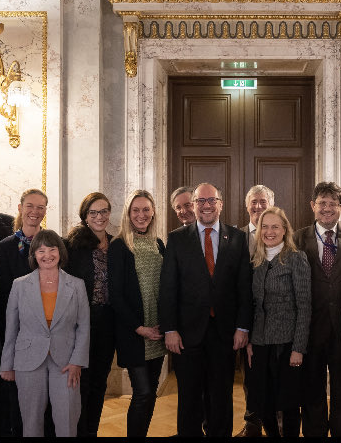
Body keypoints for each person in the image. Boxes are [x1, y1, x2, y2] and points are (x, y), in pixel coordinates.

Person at [159, 182, 252, 437]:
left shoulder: (237, 237)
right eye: (200, 201)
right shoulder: (177, 239)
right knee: (189, 398)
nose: (206, 205)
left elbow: (244, 286)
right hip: (187, 334)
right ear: (194, 205)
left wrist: (243, 327)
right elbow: (168, 288)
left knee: (220, 396)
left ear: (221, 204)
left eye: (212, 200)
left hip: (225, 334)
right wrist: (170, 329)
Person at [292, 181, 341, 437]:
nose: (327, 209)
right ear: (312, 206)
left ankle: (340, 433)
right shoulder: (297, 238)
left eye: (332, 204)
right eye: (321, 203)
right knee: (311, 387)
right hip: (310, 327)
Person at [0, 229, 90, 437]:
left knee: (67, 420)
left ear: (61, 252)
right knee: (30, 422)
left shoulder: (77, 285)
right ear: (33, 255)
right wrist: (7, 364)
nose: (47, 255)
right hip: (27, 361)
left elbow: (84, 326)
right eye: (41, 251)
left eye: (52, 249)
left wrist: (78, 361)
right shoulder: (19, 285)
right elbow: (11, 328)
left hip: (66, 362)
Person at [246, 206, 311, 438]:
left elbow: (304, 306)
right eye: (265, 226)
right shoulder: (256, 260)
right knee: (263, 403)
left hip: (287, 345)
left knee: (289, 404)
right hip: (261, 342)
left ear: (285, 230)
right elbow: (253, 305)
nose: (269, 231)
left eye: (275, 226)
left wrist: (298, 349)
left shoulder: (296, 258)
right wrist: (251, 342)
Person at [108, 190, 167, 437]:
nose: (141, 215)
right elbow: (116, 295)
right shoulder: (119, 246)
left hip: (159, 331)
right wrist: (139, 328)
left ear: (153, 212)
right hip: (135, 333)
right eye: (135, 210)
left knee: (150, 393)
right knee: (142, 392)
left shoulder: (159, 244)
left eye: (145, 209)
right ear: (128, 214)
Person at [0, 188, 49, 436]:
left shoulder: (51, 244)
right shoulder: (4, 247)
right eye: (30, 206)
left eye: (40, 207)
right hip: (12, 329)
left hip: (44, 331)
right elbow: (1, 293)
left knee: (40, 394)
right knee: (9, 392)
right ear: (20, 208)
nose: (34, 212)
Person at [63, 192, 114, 437]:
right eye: (93, 212)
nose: (99, 217)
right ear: (85, 216)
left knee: (99, 382)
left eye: (104, 211)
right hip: (79, 324)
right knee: (80, 383)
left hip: (108, 324)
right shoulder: (72, 245)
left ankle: (90, 432)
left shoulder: (117, 245)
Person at [237, 184, 275, 437]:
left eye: (263, 201)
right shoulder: (235, 237)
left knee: (275, 375)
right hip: (244, 317)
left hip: (276, 319)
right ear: (247, 205)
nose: (258, 206)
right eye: (254, 202)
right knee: (250, 375)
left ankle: (277, 425)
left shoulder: (282, 235)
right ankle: (253, 425)